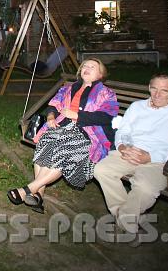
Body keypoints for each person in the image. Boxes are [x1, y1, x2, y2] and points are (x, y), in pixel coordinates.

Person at [93, 75, 168, 235]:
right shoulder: (137, 107)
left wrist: (151, 156)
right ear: (149, 88)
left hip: (160, 160)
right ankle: (126, 217)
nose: (157, 94)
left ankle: (124, 220)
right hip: (130, 152)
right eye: (154, 88)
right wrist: (123, 146)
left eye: (164, 91)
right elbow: (123, 131)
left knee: (145, 187)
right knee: (101, 170)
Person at [8, 59, 118, 213]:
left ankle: (28, 189)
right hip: (62, 127)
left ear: (100, 74)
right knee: (45, 140)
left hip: (88, 133)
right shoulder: (70, 88)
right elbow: (53, 104)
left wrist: (78, 115)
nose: (87, 68)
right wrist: (51, 117)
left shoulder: (106, 93)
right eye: (84, 66)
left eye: (92, 67)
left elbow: (106, 116)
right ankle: (39, 195)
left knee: (63, 149)